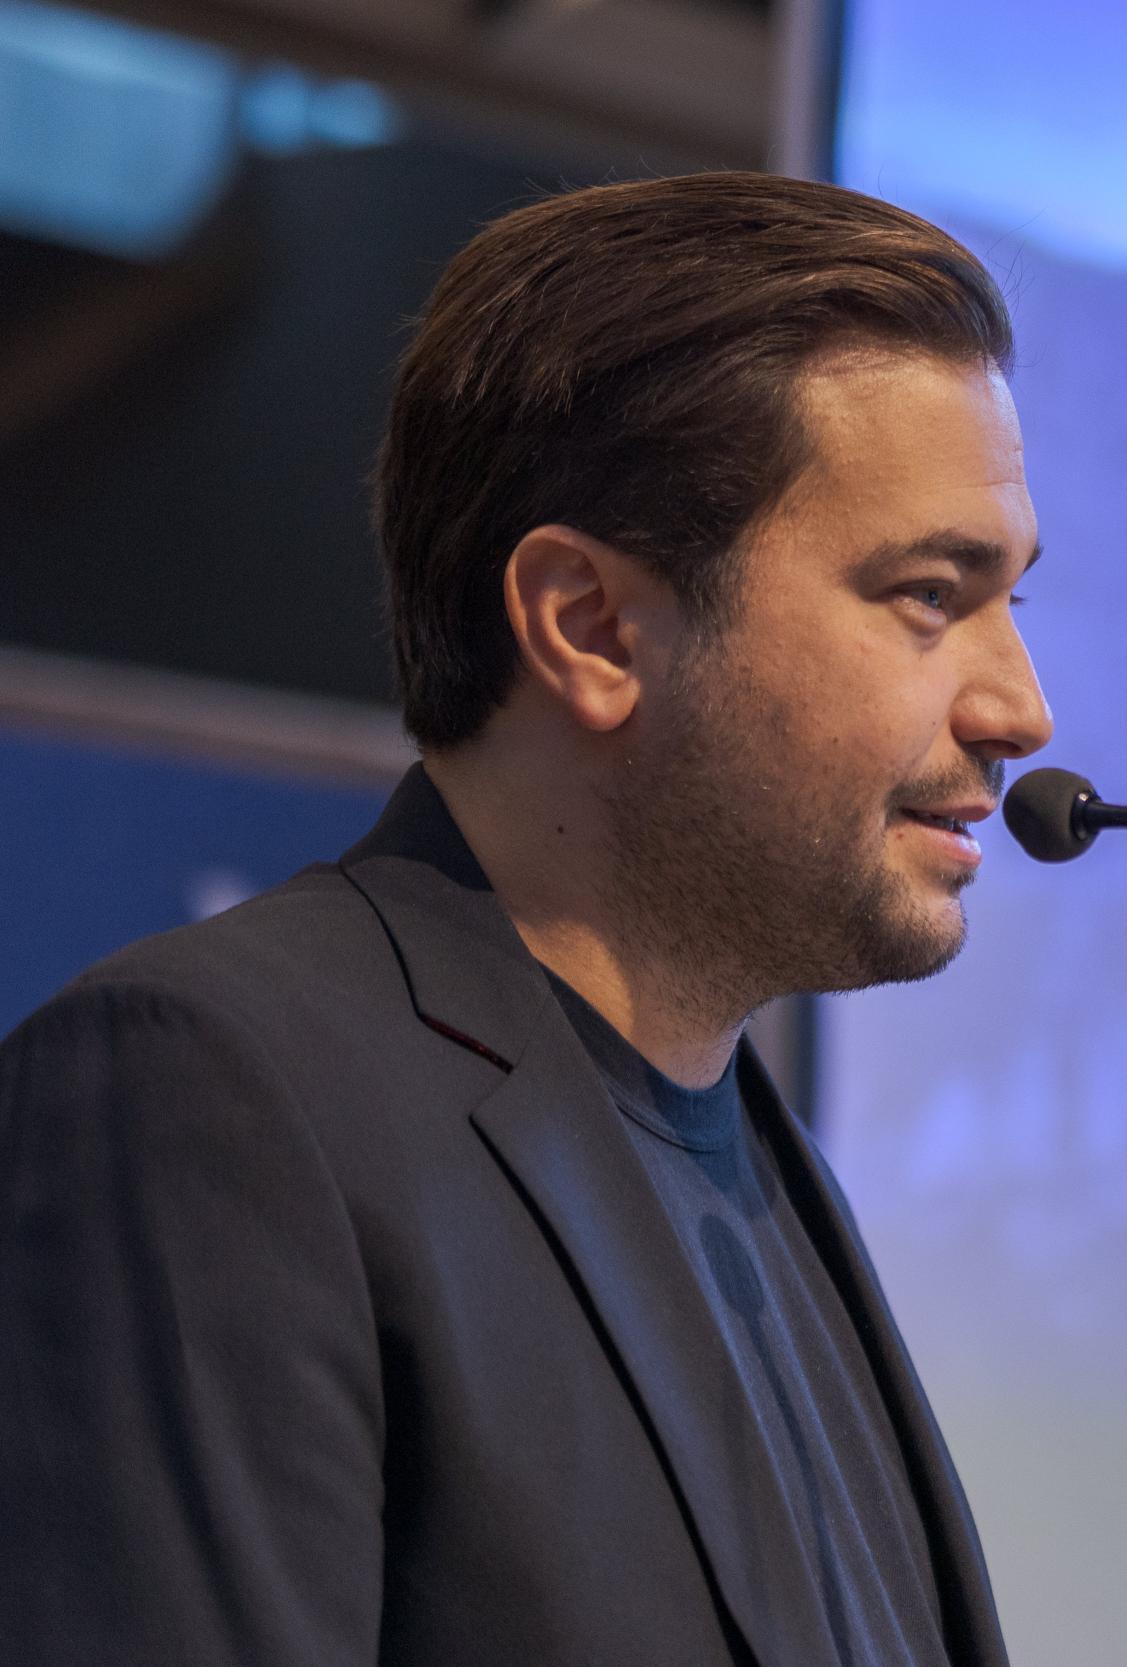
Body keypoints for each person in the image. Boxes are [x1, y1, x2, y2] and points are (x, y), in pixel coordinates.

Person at [0, 171, 1049, 1666]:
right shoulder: (210, 1091)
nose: (1021, 708)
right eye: (931, 595)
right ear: (590, 626)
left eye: (1014, 602)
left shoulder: (775, 1175)